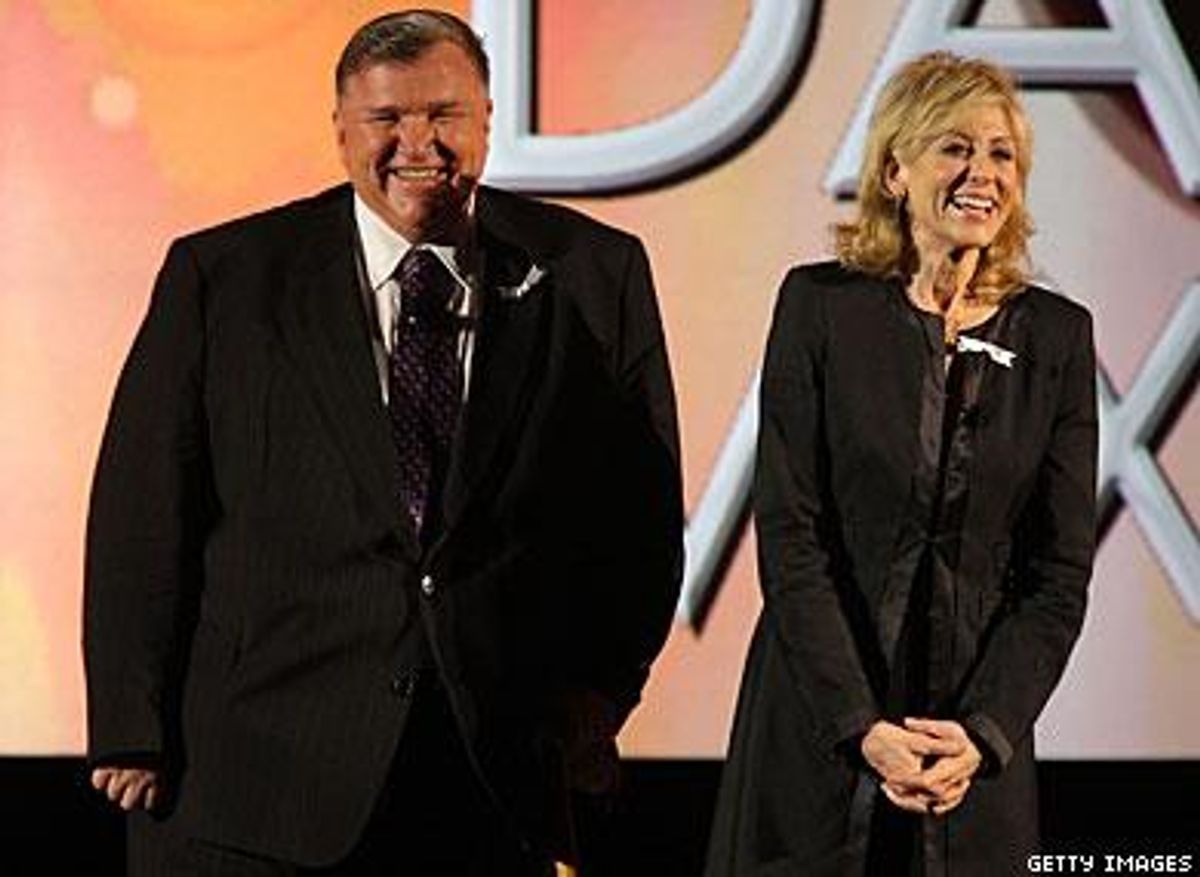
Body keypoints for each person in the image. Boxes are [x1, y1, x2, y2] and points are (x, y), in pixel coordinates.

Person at [84, 10, 683, 875]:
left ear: (487, 118)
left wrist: (601, 694)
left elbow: (640, 518)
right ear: (340, 130)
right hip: (254, 778)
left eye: (444, 114)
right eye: (387, 118)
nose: (418, 143)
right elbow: (143, 510)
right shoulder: (226, 277)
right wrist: (129, 725)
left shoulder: (592, 270)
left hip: (491, 777)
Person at [705, 52, 1097, 875]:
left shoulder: (1058, 337)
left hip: (969, 758)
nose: (983, 173)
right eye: (955, 147)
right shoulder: (819, 307)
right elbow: (791, 535)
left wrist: (983, 734)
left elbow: (1057, 576)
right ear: (894, 171)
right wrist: (861, 726)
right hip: (820, 734)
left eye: (1001, 154)